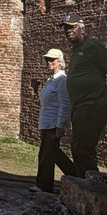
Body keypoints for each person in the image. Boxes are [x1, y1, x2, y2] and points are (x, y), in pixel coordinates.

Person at [59, 12, 107, 178]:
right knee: (79, 148)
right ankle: (86, 184)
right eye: (66, 28)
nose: (68, 31)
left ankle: (92, 185)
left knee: (82, 148)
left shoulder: (93, 47)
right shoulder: (76, 51)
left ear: (82, 28)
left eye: (72, 27)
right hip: (80, 108)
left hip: (93, 105)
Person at [34, 47, 70, 192]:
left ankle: (44, 185)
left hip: (53, 123)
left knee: (48, 154)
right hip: (46, 121)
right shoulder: (50, 80)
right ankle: (76, 176)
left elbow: (65, 104)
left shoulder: (62, 80)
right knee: (51, 153)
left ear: (59, 61)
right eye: (47, 60)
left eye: (52, 60)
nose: (49, 62)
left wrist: (61, 125)